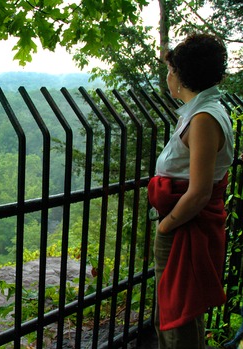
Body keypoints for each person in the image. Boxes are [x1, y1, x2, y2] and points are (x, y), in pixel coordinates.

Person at [147, 33, 234, 349]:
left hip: (184, 228)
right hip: (184, 226)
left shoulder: (203, 119)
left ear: (181, 76)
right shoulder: (201, 112)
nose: (168, 77)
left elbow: (198, 192)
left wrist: (166, 226)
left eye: (170, 70)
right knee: (177, 312)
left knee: (178, 319)